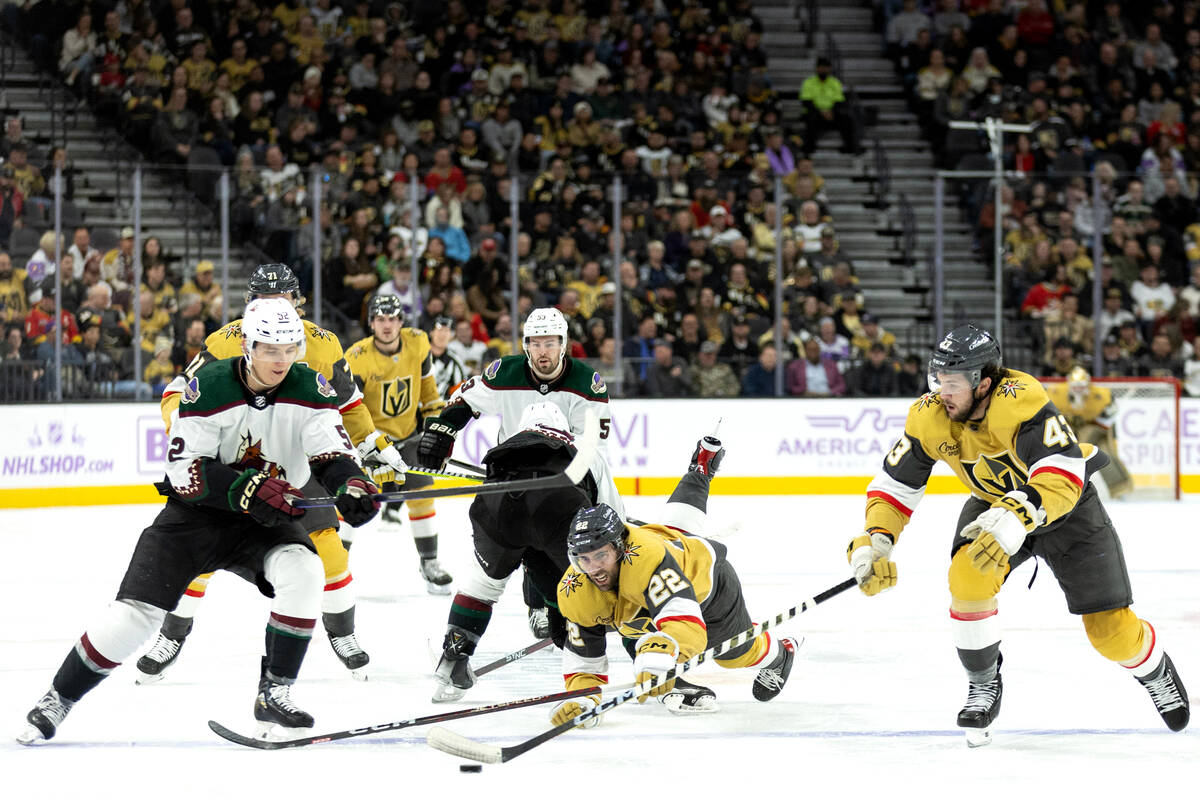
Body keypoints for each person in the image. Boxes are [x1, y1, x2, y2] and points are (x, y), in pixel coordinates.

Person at [16, 299, 380, 744]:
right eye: (270, 349)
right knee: (134, 617)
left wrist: (354, 484)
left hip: (263, 519)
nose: (281, 360)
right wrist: (245, 488)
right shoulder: (208, 387)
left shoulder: (312, 389)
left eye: (290, 348)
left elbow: (331, 453)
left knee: (305, 571)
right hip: (197, 516)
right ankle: (59, 697)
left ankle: (275, 691)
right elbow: (183, 471)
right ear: (247, 345)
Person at [849, 323, 1189, 747]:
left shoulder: (1020, 398)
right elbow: (895, 486)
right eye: (938, 380)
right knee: (967, 578)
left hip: (1066, 508)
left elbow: (1060, 473)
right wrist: (877, 538)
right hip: (993, 505)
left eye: (952, 383)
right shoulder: (929, 415)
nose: (942, 392)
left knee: (1112, 635)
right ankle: (983, 682)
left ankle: (1154, 669)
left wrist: (1014, 518)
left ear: (984, 383)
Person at [134, 264, 404, 684]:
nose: (276, 308)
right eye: (264, 300)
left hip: (300, 462)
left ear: (299, 301)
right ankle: (173, 634)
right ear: (249, 305)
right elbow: (176, 393)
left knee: (330, 551)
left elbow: (349, 406)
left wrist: (372, 444)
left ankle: (343, 633)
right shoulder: (227, 341)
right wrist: (186, 432)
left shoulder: (324, 344)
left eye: (284, 300)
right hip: (234, 467)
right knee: (200, 557)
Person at [551, 442, 801, 724]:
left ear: (620, 548)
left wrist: (659, 652)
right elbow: (585, 662)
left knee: (733, 654)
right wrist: (584, 700)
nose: (593, 568)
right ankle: (700, 471)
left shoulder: (646, 562)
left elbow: (687, 625)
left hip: (708, 588)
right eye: (583, 559)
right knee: (672, 539)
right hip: (665, 557)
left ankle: (782, 651)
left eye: (601, 556)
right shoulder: (575, 590)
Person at [344, 294, 452, 593]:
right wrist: (366, 446)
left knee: (422, 494)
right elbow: (351, 409)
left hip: (408, 438)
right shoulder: (357, 357)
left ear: (401, 322)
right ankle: (335, 567)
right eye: (380, 319)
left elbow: (429, 391)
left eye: (392, 319)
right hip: (371, 443)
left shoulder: (418, 343)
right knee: (354, 499)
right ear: (371, 323)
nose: (387, 325)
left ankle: (429, 562)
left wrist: (435, 430)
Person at [1043, 367, 1132, 499]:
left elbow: (1109, 417)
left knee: (1105, 454)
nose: (1078, 390)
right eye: (1075, 386)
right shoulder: (1054, 392)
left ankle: (1120, 489)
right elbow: (1046, 416)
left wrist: (1088, 435)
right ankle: (1053, 489)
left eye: (1082, 387)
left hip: (1094, 426)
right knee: (1054, 455)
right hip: (1065, 427)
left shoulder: (1103, 395)